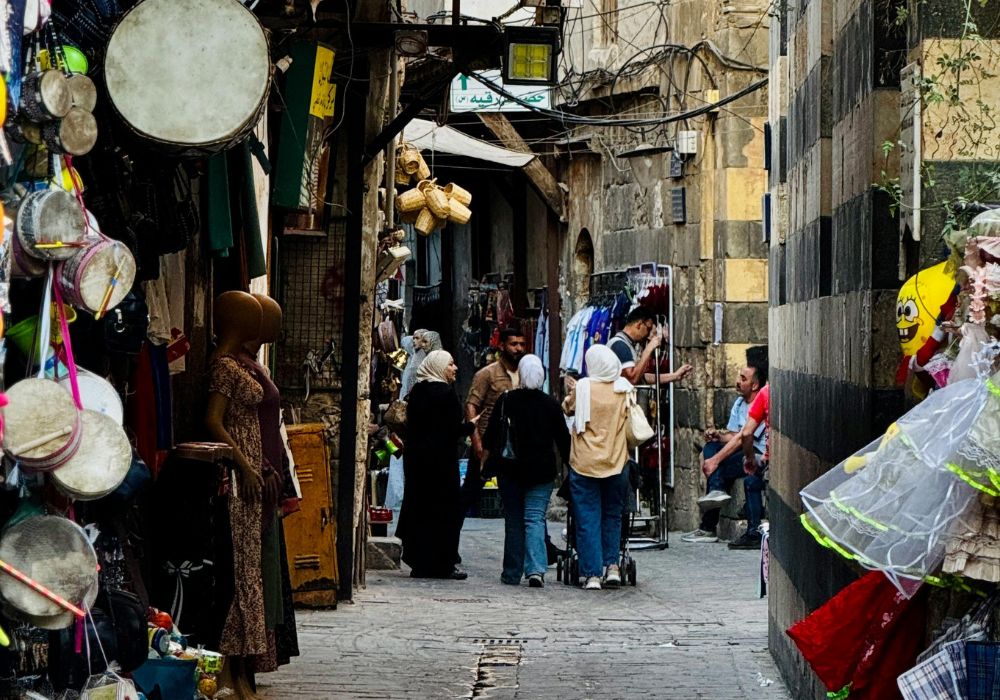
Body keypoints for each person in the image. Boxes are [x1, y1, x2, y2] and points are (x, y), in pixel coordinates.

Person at [483, 355, 570, 588]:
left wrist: (486, 459)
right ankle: (536, 570)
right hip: (541, 472)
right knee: (535, 519)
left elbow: (491, 435)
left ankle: (512, 572)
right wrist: (571, 466)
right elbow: (563, 440)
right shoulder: (550, 404)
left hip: (510, 470)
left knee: (513, 520)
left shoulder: (506, 400)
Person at [397, 350, 475, 579]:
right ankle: (442, 564)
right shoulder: (446, 394)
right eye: (450, 364)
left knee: (420, 508)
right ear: (439, 367)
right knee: (443, 511)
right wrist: (470, 426)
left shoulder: (417, 391)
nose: (455, 368)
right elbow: (451, 430)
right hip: (441, 463)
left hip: (417, 461)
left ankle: (420, 562)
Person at [562, 345, 632, 590]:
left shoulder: (583, 387)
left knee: (587, 517)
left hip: (585, 462)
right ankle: (612, 566)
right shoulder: (623, 388)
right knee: (612, 514)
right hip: (616, 460)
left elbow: (567, 408)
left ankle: (592, 574)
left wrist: (572, 389)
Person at [682, 365, 766, 543]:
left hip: (754, 453)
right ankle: (716, 490)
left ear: (755, 385)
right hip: (740, 449)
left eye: (743, 379)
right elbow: (733, 435)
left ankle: (708, 525)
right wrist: (718, 436)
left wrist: (715, 460)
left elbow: (744, 438)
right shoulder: (739, 403)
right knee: (710, 447)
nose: (737, 382)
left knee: (716, 466)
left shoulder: (761, 401)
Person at [461, 329, 527, 520]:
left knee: (520, 495)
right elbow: (471, 405)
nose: (518, 348)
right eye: (513, 344)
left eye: (522, 344)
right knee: (471, 491)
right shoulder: (487, 374)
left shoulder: (526, 373)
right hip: (488, 442)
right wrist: (476, 441)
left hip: (515, 444)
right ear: (502, 346)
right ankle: (451, 534)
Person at [607, 306, 693, 386]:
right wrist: (649, 349)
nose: (648, 334)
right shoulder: (620, 345)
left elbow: (641, 377)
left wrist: (674, 376)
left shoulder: (625, 343)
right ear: (639, 324)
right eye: (648, 329)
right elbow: (632, 379)